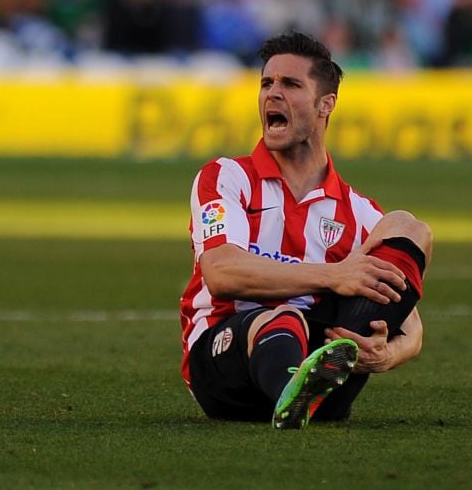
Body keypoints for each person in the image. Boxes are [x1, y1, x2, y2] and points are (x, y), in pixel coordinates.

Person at [179, 30, 433, 429]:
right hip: (227, 365)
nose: (272, 94)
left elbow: (411, 322)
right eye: (266, 83)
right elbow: (222, 273)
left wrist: (388, 354)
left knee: (407, 226)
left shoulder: (359, 212)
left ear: (325, 105)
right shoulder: (227, 177)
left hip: (325, 360)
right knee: (282, 318)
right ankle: (292, 390)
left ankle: (311, 388)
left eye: (290, 84)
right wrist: (335, 275)